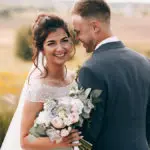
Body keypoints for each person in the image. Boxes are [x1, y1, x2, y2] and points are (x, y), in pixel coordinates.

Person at [71, 0, 150, 150]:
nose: (77, 38)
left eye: (78, 31)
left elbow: (88, 134)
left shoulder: (91, 70)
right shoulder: (145, 62)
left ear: (95, 27)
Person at [1, 14, 82, 150]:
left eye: (64, 40)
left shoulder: (74, 78)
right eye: (51, 43)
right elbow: (26, 140)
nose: (60, 48)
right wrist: (60, 143)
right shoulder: (39, 88)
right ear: (42, 50)